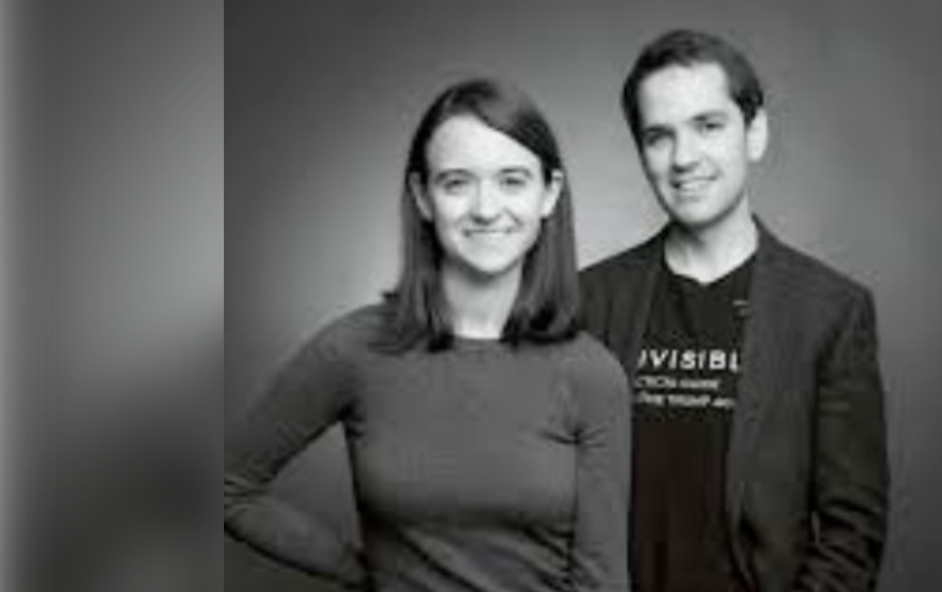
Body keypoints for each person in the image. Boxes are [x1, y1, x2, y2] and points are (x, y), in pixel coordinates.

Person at [225, 78, 631, 592]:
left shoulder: (593, 375)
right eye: (457, 182)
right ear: (422, 196)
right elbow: (228, 488)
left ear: (548, 194)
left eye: (512, 180)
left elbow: (603, 584)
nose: (486, 208)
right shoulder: (354, 350)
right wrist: (360, 573)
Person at [581, 30, 889, 592]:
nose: (683, 158)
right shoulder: (590, 301)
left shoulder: (829, 312)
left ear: (755, 133)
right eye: (659, 136)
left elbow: (852, 536)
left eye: (708, 126)